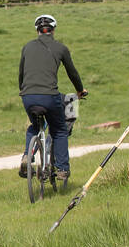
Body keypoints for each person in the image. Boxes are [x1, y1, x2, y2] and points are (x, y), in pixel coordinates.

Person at [18, 14, 87, 183]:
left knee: (34, 126)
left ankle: (27, 156)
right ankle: (63, 169)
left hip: (27, 95)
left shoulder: (27, 47)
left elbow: (21, 74)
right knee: (59, 130)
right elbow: (72, 73)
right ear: (53, 30)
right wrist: (80, 91)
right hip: (49, 96)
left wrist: (25, 91)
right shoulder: (60, 48)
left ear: (37, 31)